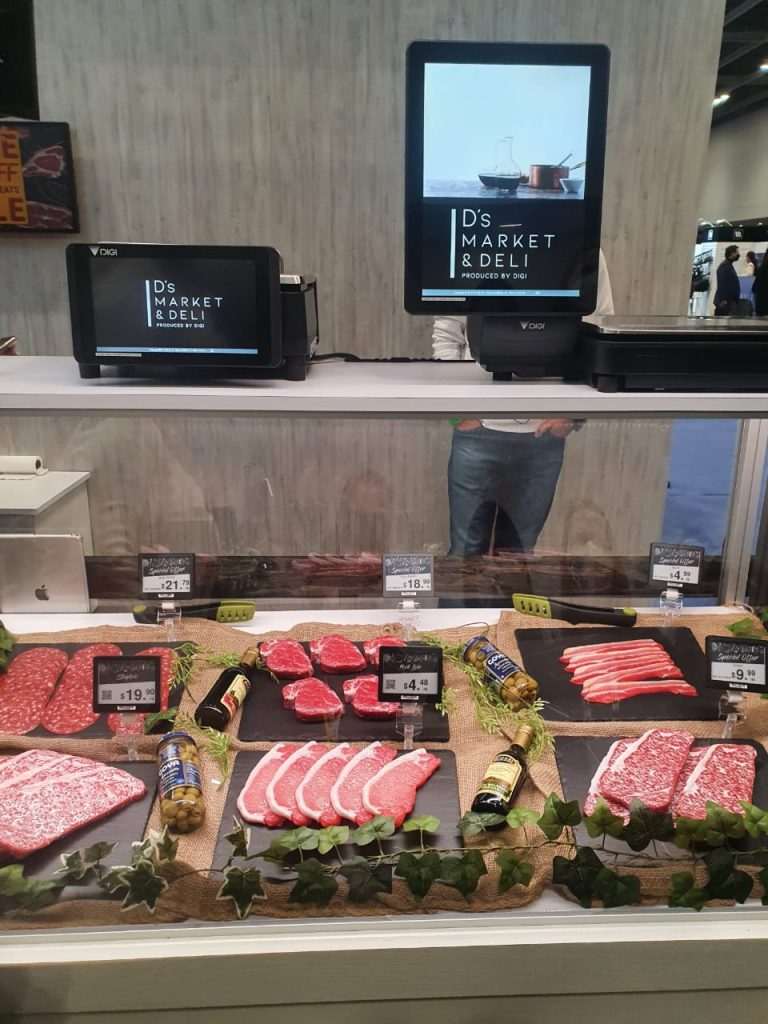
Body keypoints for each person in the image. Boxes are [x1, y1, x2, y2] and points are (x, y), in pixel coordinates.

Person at [433, 250, 614, 556]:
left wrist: (572, 417)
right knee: (464, 554)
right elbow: (447, 334)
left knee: (518, 556)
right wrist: (457, 414)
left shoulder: (583, 245)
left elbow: (597, 330)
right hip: (476, 430)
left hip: (544, 434)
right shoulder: (477, 242)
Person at [713, 245, 741, 316]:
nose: (738, 254)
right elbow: (722, 285)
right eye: (737, 252)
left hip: (729, 302)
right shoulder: (724, 266)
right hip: (725, 303)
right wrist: (723, 300)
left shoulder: (728, 265)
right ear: (732, 253)